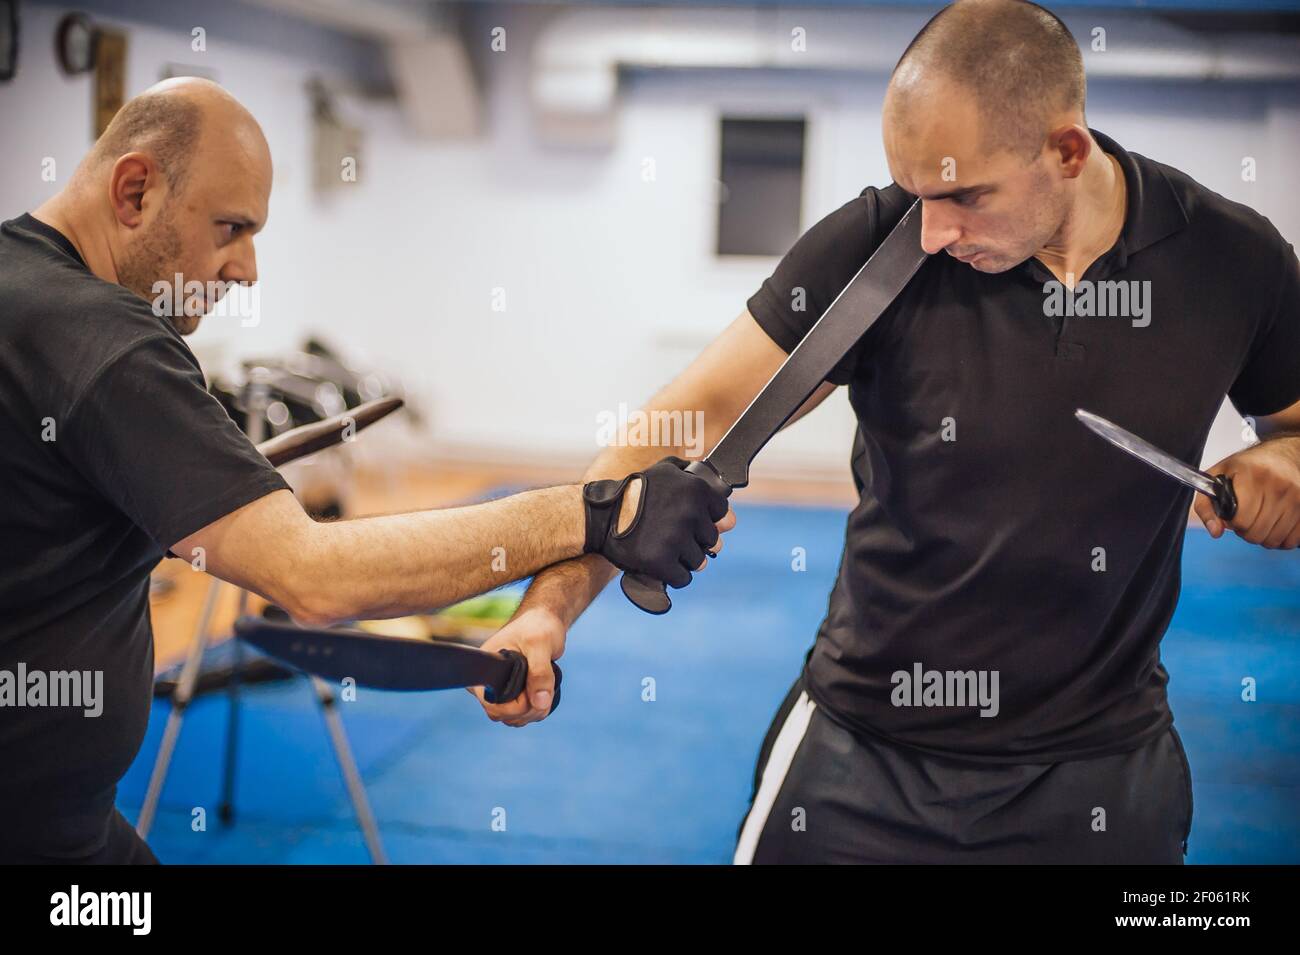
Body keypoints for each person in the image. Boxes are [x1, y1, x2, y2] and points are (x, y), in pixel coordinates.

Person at [472, 0, 1300, 863]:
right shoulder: (880, 245)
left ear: (1066, 151)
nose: (933, 231)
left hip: (1100, 772)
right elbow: (677, 424)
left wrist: (1285, 462)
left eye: (964, 196)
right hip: (864, 755)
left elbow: (1296, 431)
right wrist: (547, 613)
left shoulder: (1234, 261)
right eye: (916, 193)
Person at [0, 78, 734, 864]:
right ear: (135, 189)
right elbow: (314, 578)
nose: (246, 269)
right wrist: (597, 514)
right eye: (231, 227)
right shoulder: (108, 345)